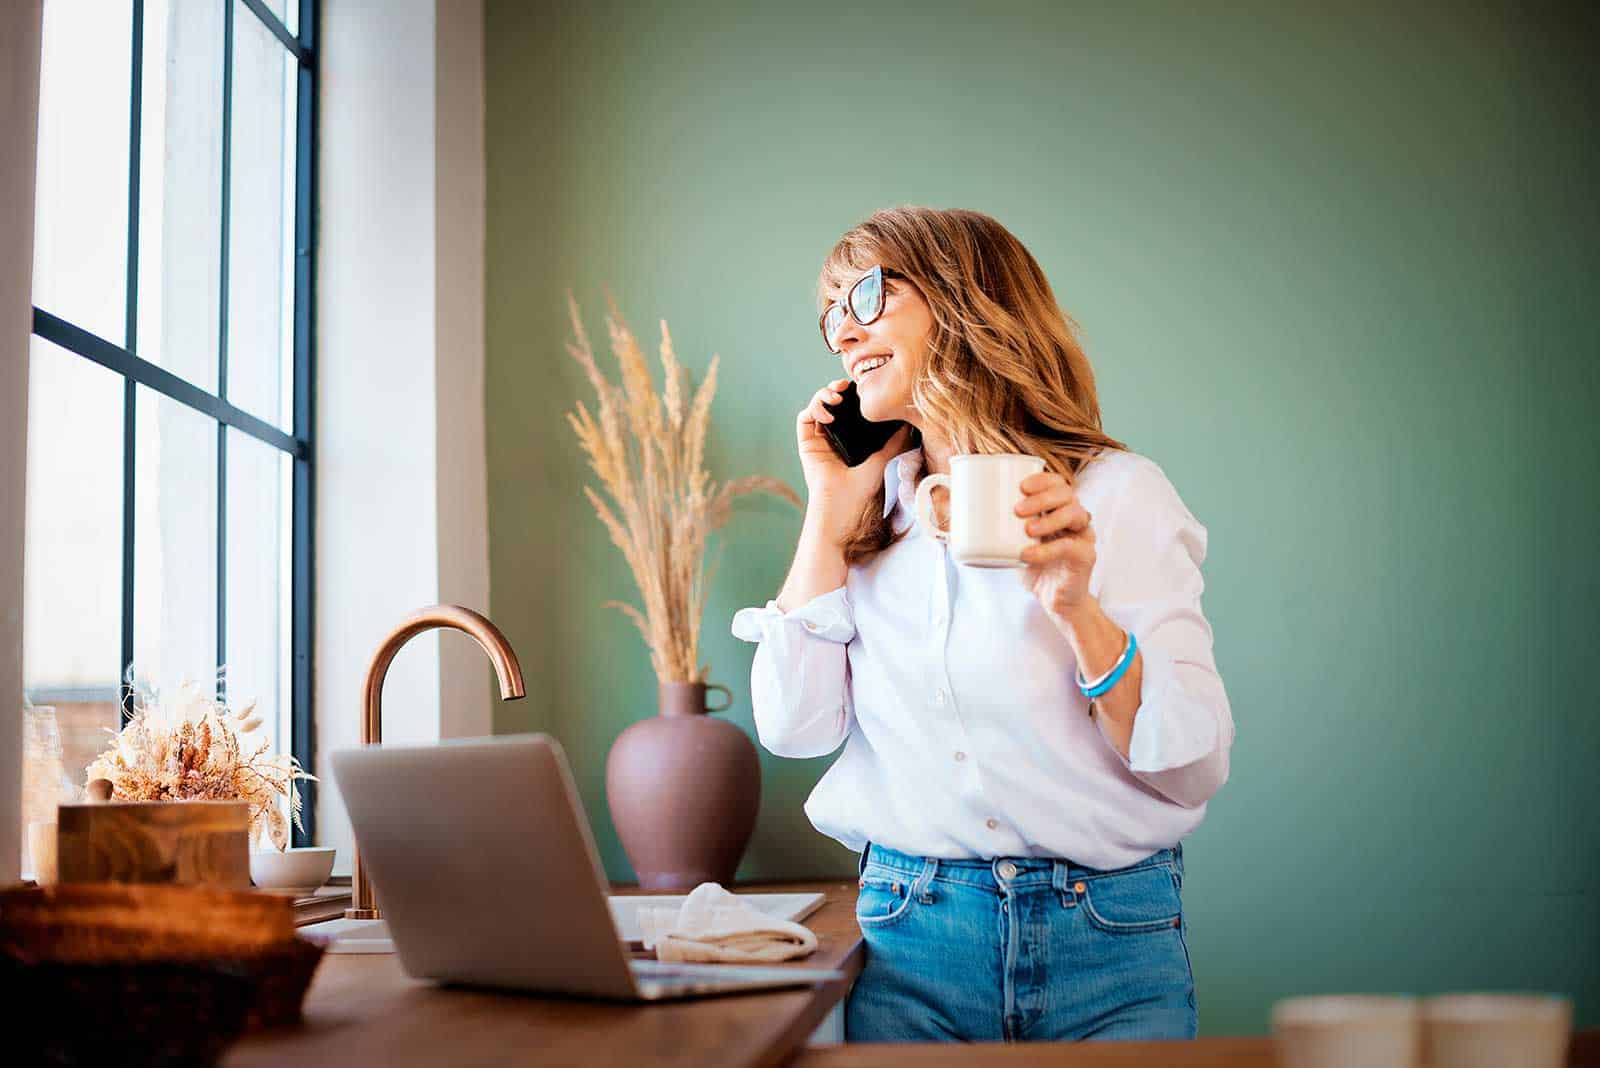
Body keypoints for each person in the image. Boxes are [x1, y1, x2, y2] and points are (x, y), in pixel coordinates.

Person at [730, 206, 1235, 1043]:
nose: (840, 336)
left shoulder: (1117, 495)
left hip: (1111, 941)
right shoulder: (867, 515)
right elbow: (792, 727)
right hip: (910, 941)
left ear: (966, 297)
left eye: (862, 298)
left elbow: (1191, 770)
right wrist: (827, 511)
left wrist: (1077, 608)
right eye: (828, 318)